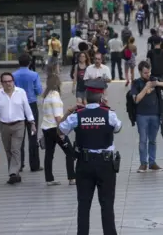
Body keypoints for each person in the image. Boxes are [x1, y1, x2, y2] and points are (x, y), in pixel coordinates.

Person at [58, 79, 122, 235]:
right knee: (107, 205)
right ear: (101, 96)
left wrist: (68, 111)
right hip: (106, 164)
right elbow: (118, 128)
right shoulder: (109, 114)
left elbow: (60, 131)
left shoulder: (77, 116)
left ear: (86, 96)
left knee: (84, 205)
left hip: (84, 164)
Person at [0, 73, 35, 184]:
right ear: (2, 83)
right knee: (8, 150)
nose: (8, 83)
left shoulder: (21, 92)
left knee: (15, 149)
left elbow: (27, 108)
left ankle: (13, 173)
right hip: (4, 125)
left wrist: (32, 121)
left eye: (10, 81)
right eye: (5, 82)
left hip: (19, 124)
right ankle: (15, 173)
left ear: (13, 81)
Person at [132, 61, 163, 172]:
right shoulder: (136, 83)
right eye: (145, 73)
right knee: (143, 140)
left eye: (149, 72)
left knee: (153, 140)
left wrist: (157, 84)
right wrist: (146, 88)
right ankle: (143, 163)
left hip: (155, 115)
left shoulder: (154, 79)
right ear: (140, 72)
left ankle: (152, 162)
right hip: (142, 116)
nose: (148, 74)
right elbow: (136, 99)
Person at [41, 74, 76, 186]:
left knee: (49, 154)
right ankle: (72, 178)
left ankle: (49, 179)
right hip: (55, 128)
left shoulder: (46, 96)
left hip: (46, 128)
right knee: (70, 152)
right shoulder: (55, 96)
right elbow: (58, 117)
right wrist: (62, 131)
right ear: (58, 84)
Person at [13, 54, 43, 172]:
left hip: (18, 106)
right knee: (32, 134)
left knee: (19, 135)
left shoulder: (14, 75)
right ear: (30, 63)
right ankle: (34, 164)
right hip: (31, 105)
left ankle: (19, 164)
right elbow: (39, 90)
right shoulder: (34, 75)